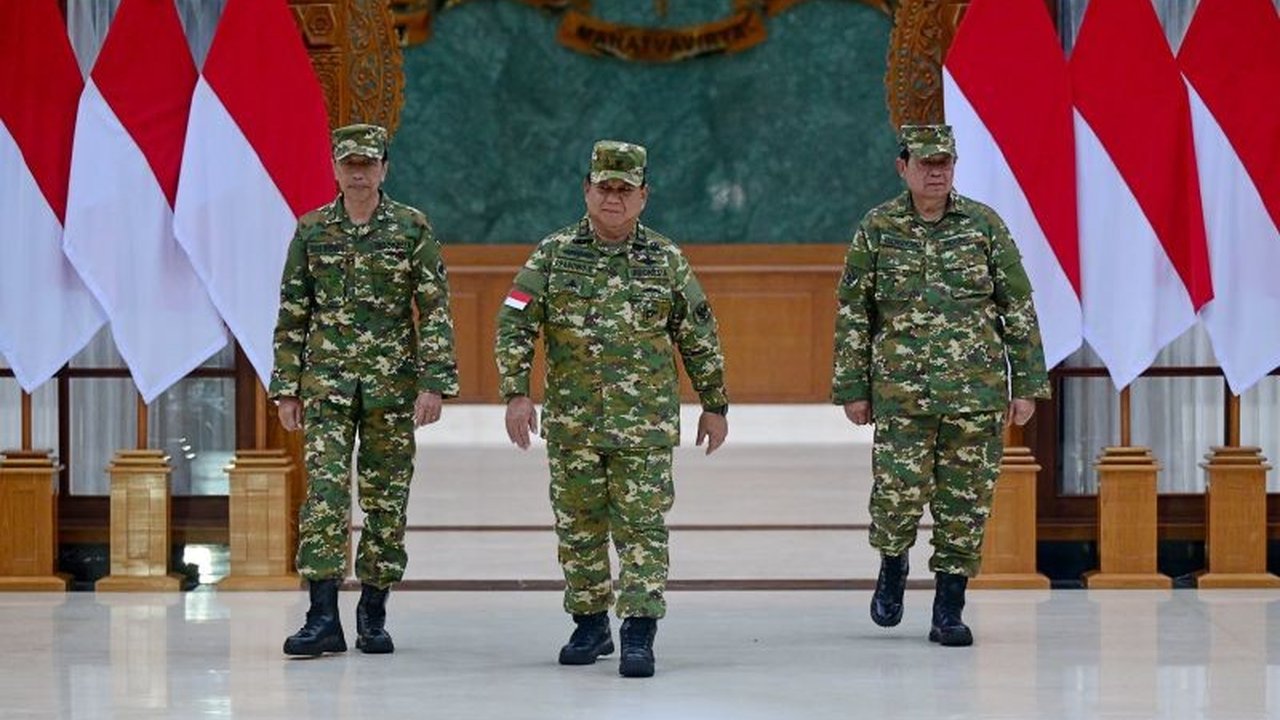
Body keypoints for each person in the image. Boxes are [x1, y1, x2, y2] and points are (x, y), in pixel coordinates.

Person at [494, 140, 729, 677]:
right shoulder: (553, 255)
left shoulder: (665, 259)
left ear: (644, 196)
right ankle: (590, 624)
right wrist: (516, 392)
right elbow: (514, 323)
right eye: (605, 188)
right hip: (573, 424)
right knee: (578, 526)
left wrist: (714, 403)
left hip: (644, 425)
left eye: (626, 189)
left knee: (642, 527)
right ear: (587, 190)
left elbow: (698, 335)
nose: (614, 198)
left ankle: (639, 630)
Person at [831, 124, 1050, 647]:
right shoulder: (878, 228)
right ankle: (893, 563)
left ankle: (949, 608)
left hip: (975, 395)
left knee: (965, 503)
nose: (936, 173)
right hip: (900, 395)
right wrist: (853, 387)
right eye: (925, 163)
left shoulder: (983, 226)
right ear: (902, 167)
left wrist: (1026, 384)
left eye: (944, 163)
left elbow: (1017, 306)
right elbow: (854, 311)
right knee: (896, 496)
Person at [270, 123, 459, 657]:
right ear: (335, 168)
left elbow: (435, 308)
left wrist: (434, 383)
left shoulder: (411, 227)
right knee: (325, 498)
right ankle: (321, 617)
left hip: (391, 389)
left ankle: (373, 614)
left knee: (386, 500)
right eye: (349, 164)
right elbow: (293, 313)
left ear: (383, 169)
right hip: (326, 387)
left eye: (368, 163)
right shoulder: (312, 230)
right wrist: (287, 388)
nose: (358, 173)